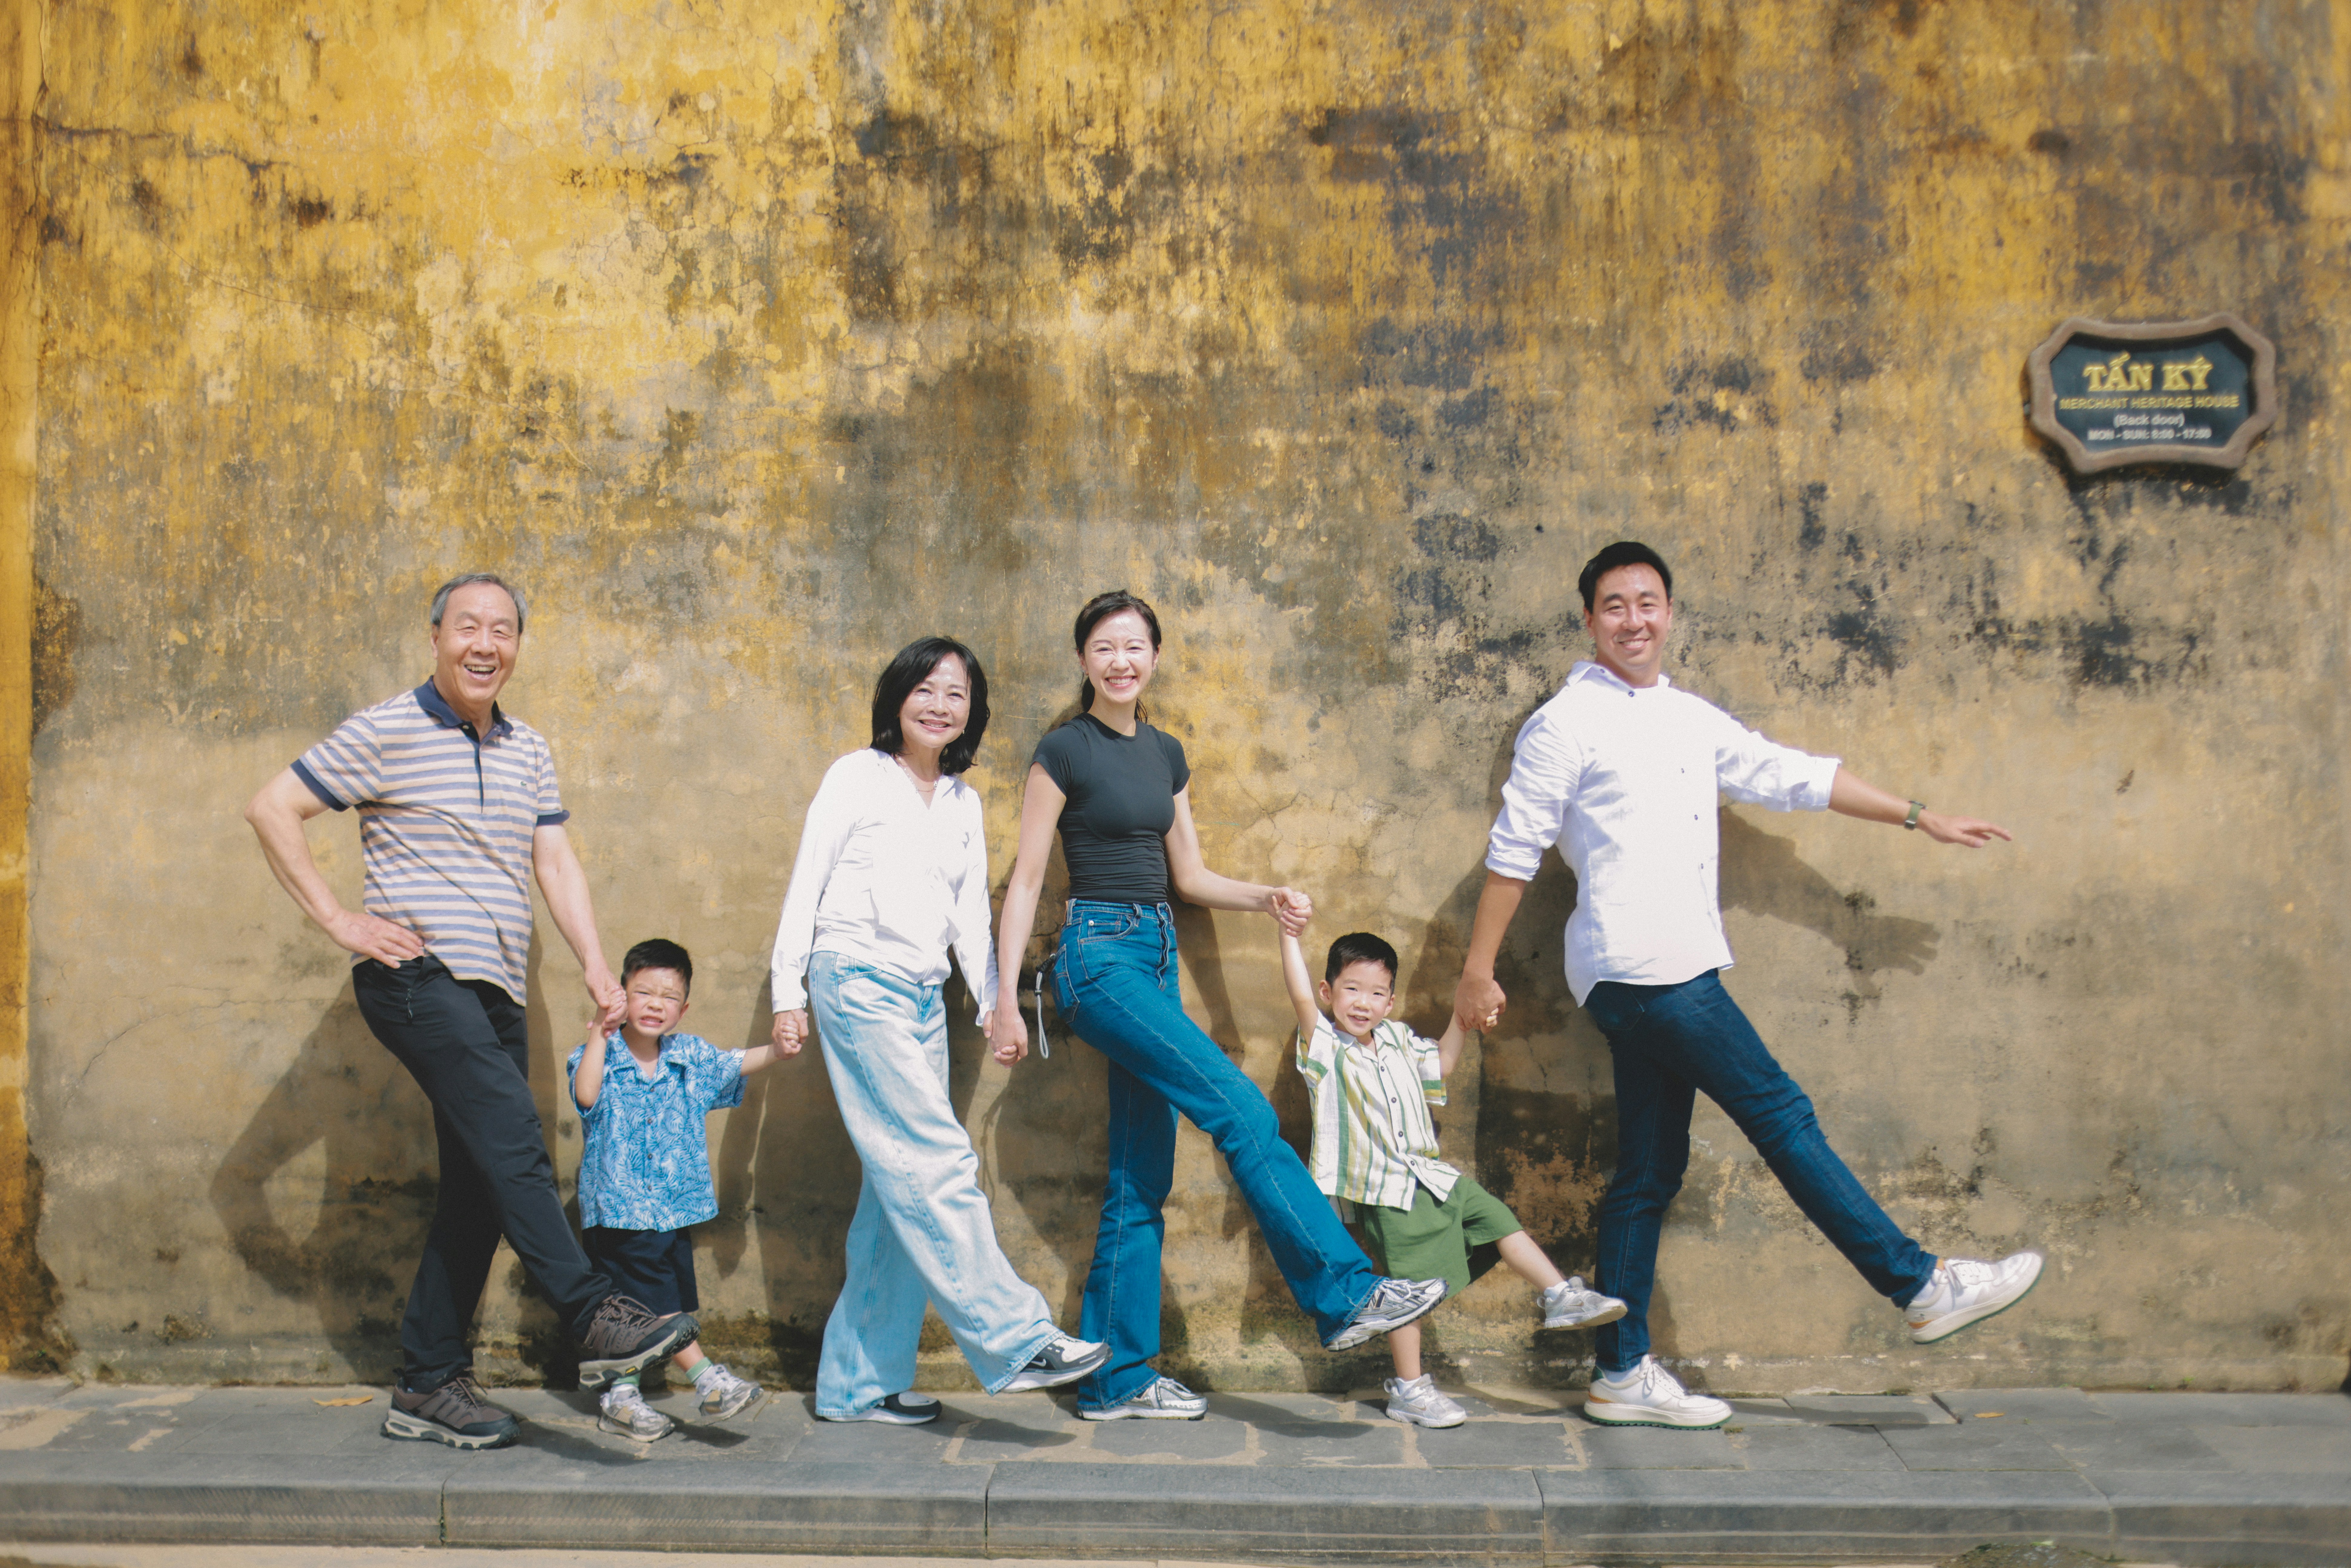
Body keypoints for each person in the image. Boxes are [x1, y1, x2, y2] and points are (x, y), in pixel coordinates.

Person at [1450, 541, 2044, 1432]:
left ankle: (1620, 1369)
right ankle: (1920, 1283)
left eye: (1648, 602)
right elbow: (1515, 849)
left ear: (1671, 612)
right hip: (1645, 968)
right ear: (1589, 621)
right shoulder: (1566, 723)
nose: (1634, 620)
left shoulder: (1687, 718)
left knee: (1649, 1169)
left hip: (1667, 965)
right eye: (1615, 605)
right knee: (1781, 1113)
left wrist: (1921, 815)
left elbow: (1794, 774)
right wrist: (1476, 967)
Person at [242, 573, 696, 1451]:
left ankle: (427, 1381)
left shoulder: (528, 745)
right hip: (417, 977)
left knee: (483, 1184)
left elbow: (555, 862)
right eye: (468, 627)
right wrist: (340, 919)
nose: (485, 643)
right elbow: (273, 808)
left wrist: (599, 967)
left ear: (517, 645)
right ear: (437, 635)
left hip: (495, 992)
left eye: (503, 630)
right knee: (518, 1139)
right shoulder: (387, 727)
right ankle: (592, 1312)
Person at [990, 590, 1448, 1422]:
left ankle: (1115, 1380)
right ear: (1084, 657)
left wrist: (1263, 896)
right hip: (1097, 958)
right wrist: (1005, 998)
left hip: (1157, 955)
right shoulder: (1065, 748)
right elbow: (1027, 878)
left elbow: (1189, 876)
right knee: (1239, 1105)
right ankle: (1344, 1292)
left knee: (1141, 1176)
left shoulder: (1166, 754)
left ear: (1154, 656)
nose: (1121, 659)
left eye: (1135, 645)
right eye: (1104, 645)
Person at [770, 636, 1108, 1425]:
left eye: (955, 694)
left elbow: (965, 919)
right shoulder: (857, 774)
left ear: (971, 713)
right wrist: (790, 989)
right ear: (897, 696)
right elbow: (807, 877)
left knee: (897, 1194)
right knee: (936, 1157)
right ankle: (1016, 1334)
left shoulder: (960, 800)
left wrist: (999, 1002)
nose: (939, 704)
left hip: (922, 998)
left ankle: (854, 1385)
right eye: (925, 687)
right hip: (854, 979)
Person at [1281, 927, 1627, 1428]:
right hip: (1385, 1186)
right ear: (1327, 992)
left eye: (1378, 994)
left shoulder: (1398, 1038)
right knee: (1406, 1290)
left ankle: (1559, 1295)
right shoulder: (1325, 1046)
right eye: (1352, 989)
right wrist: (1288, 933)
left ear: (1391, 1000)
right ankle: (1409, 1388)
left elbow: (1441, 1062)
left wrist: (1462, 1021)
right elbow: (1295, 994)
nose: (1364, 1003)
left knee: (1499, 1218)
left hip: (1432, 1173)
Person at [568, 939, 778, 1439]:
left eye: (669, 996)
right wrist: (601, 1030)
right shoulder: (602, 1053)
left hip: (669, 1210)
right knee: (659, 1307)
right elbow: (586, 1093)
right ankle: (708, 1380)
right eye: (643, 992)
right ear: (621, 993)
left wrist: (781, 1049)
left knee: (631, 1311)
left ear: (683, 1008)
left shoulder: (688, 1056)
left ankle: (620, 1397)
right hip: (619, 1209)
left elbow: (732, 1063)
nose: (656, 1003)